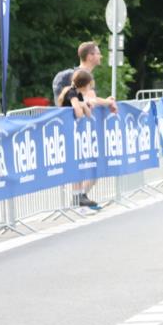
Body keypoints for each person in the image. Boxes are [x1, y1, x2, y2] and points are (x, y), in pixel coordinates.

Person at [52, 42, 119, 210]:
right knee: (81, 163)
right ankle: (79, 200)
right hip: (74, 128)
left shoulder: (86, 76)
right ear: (90, 56)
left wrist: (100, 104)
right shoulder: (78, 76)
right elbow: (90, 101)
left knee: (91, 167)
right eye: (98, 53)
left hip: (85, 129)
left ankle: (81, 198)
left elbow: (91, 102)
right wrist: (108, 102)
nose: (101, 56)